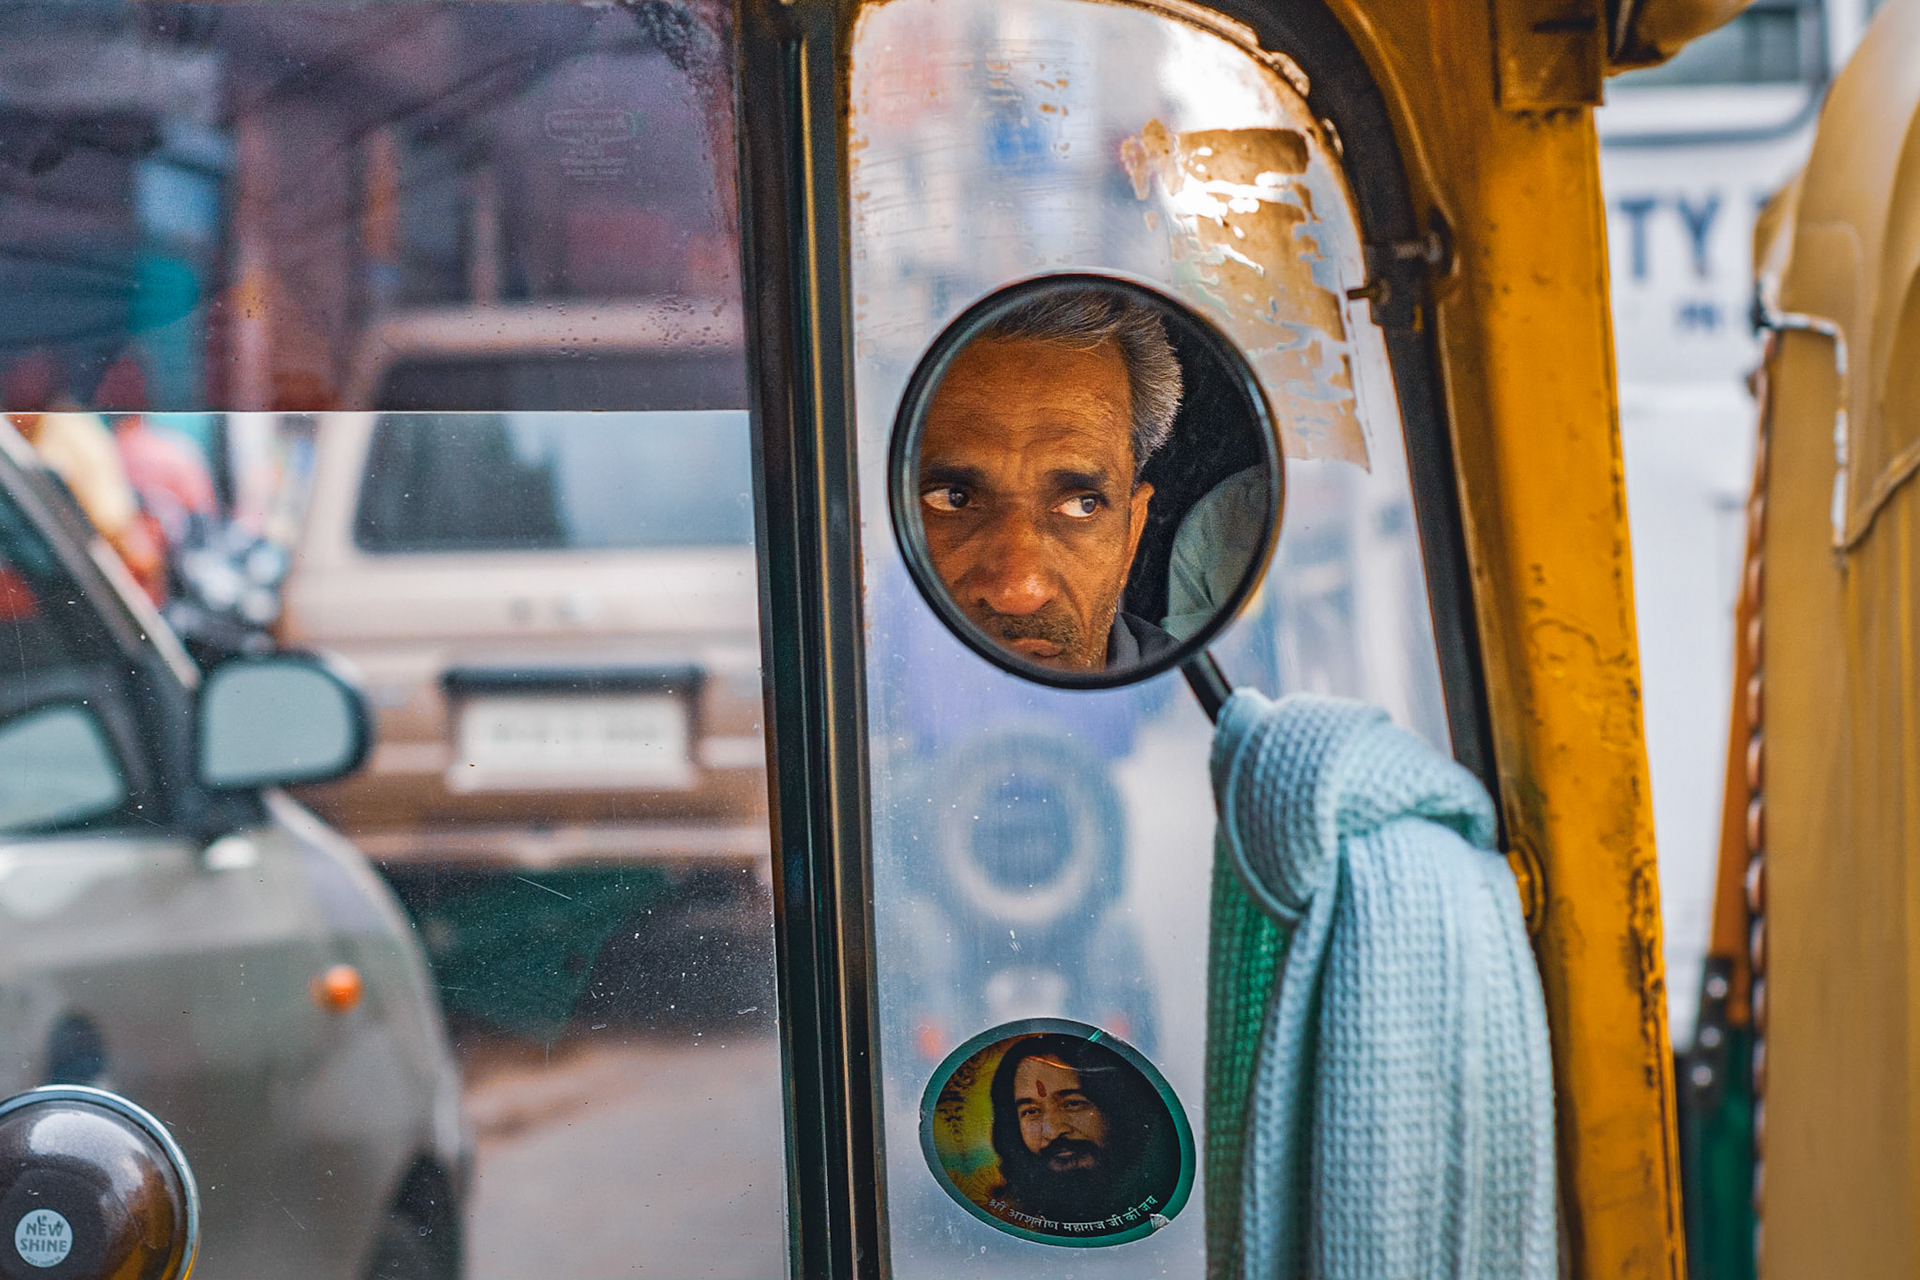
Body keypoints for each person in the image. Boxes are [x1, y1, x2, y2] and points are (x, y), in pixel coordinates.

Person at [916, 288, 1182, 671]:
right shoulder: (840, 684)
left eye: (1081, 504)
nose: (1019, 590)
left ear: (1132, 535)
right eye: (953, 498)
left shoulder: (1193, 708)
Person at [982, 1033, 1178, 1230]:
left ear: (1115, 1109)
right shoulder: (1004, 1218)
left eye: (1072, 1104)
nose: (1053, 1131)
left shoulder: (1159, 1186)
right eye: (1031, 1112)